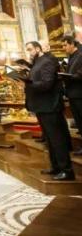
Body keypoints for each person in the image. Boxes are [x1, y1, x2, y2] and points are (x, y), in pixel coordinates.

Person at [24, 41, 74, 181]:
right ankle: (56, 167)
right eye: (27, 50)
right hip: (42, 106)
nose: (29, 53)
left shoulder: (47, 61)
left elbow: (47, 83)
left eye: (31, 50)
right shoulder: (37, 63)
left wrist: (29, 84)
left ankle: (67, 170)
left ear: (38, 48)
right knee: (50, 140)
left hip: (49, 106)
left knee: (57, 139)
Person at [63, 36, 82, 155]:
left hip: (80, 93)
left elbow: (80, 73)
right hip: (73, 94)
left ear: (72, 44)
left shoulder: (80, 55)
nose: (63, 48)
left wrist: (69, 76)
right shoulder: (71, 57)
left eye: (65, 45)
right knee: (79, 122)